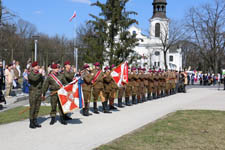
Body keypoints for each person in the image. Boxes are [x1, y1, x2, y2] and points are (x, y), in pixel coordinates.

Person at [28, 62, 44, 129]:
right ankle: (31, 122)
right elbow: (34, 79)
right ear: (33, 67)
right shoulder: (30, 74)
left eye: (38, 66)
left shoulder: (39, 75)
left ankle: (35, 120)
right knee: (33, 107)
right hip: (33, 92)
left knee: (37, 107)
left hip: (39, 92)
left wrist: (43, 92)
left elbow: (42, 83)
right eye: (36, 66)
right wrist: (40, 74)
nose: (38, 67)